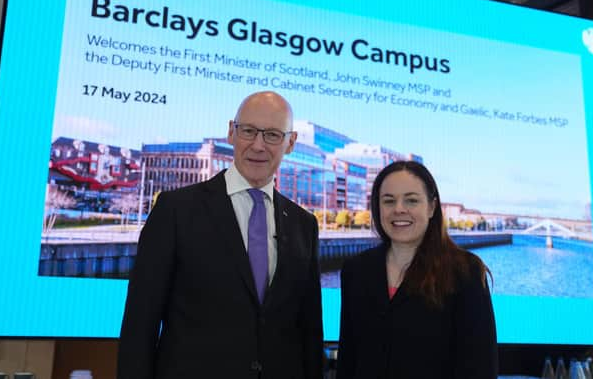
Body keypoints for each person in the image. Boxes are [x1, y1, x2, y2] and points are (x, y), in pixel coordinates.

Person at [117, 91, 323, 379]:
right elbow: (140, 325)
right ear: (231, 132)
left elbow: (310, 331)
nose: (258, 145)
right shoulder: (175, 210)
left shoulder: (304, 225)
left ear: (290, 143)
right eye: (249, 131)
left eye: (273, 135)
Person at [336, 160, 497, 379]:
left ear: (431, 207)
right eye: (389, 201)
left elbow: (480, 368)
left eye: (411, 200)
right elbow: (349, 359)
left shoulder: (465, 272)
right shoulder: (356, 271)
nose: (399, 209)